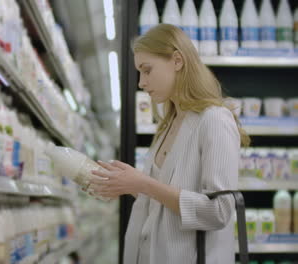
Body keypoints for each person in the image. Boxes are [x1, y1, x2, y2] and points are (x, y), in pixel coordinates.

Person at [90, 24, 250, 264]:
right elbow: (163, 200)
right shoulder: (170, 122)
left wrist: (144, 184)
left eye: (147, 70)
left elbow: (219, 211)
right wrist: (125, 185)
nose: (141, 83)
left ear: (177, 60)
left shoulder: (214, 120)